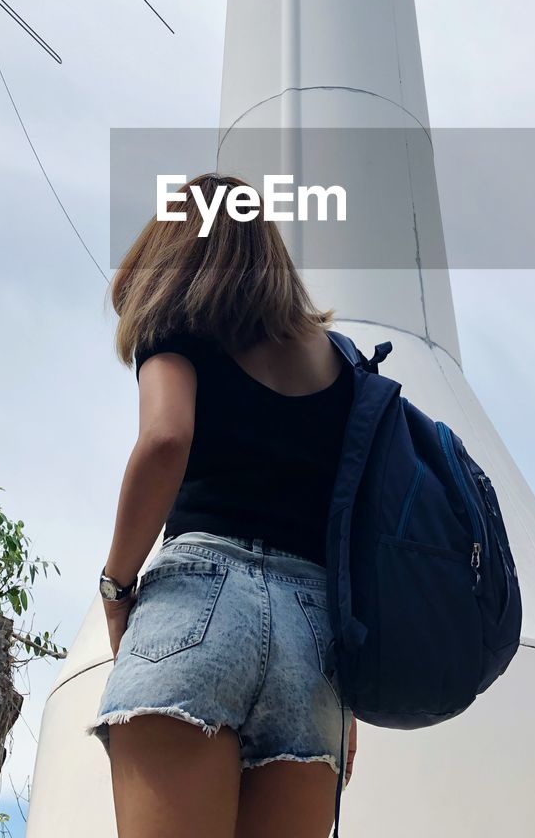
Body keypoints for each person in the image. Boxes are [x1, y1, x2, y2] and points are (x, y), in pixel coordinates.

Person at [88, 172, 358, 838]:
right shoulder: (342, 367)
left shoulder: (176, 328)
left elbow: (165, 437)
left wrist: (116, 587)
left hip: (196, 609)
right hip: (313, 635)